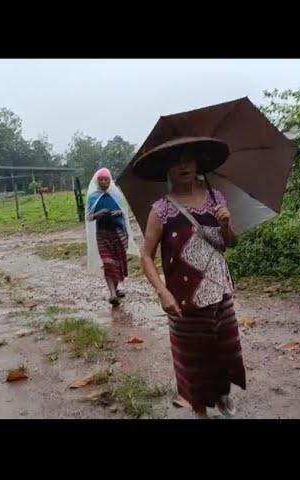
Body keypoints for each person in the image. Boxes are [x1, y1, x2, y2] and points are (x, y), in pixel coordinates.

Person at [138, 142, 246, 419]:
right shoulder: (161, 210)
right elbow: (146, 256)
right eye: (176, 162)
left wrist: (225, 223)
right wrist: (163, 293)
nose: (183, 166)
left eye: (188, 160)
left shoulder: (216, 198)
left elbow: (230, 243)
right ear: (168, 169)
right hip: (184, 298)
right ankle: (200, 411)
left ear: (199, 164)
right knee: (193, 357)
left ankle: (222, 394)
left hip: (220, 291)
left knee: (224, 349)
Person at [85, 168, 138, 306]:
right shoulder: (93, 197)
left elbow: (124, 212)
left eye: (106, 179)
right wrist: (99, 214)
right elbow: (89, 217)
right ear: (97, 182)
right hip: (102, 234)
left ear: (110, 181)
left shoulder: (117, 195)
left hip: (118, 232)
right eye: (101, 179)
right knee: (108, 262)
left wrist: (118, 213)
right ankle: (112, 294)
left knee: (118, 262)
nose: (104, 182)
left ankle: (116, 288)